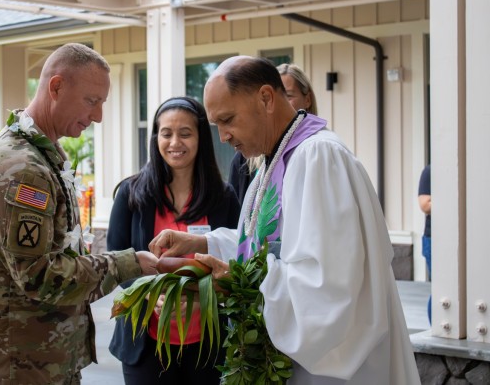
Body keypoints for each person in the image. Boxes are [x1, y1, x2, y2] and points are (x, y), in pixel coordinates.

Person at [149, 56, 421, 384]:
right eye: (216, 125)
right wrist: (205, 242)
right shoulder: (273, 161)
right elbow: (270, 245)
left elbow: (326, 284)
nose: (222, 136)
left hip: (333, 368)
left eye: (228, 119)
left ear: (266, 98)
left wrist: (237, 282)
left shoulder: (318, 157)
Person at [0, 43, 158, 385]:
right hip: (18, 365)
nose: (97, 116)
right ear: (56, 87)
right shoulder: (22, 168)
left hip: (38, 359)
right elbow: (40, 275)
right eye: (92, 101)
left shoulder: (41, 154)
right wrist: (130, 263)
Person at [107, 97, 241, 384]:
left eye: (185, 133)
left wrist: (198, 298)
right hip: (144, 342)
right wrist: (150, 294)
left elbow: (236, 260)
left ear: (201, 138)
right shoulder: (130, 194)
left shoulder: (224, 197)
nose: (174, 142)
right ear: (156, 137)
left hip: (208, 344)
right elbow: (116, 259)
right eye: (166, 133)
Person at [228, 62, 318, 203]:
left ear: (307, 100)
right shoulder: (244, 161)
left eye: (287, 95)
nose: (277, 103)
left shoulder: (316, 151)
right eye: (268, 98)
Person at [418, 164, 432, 323]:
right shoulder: (430, 171)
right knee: (440, 289)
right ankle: (435, 329)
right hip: (434, 238)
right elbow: (425, 204)